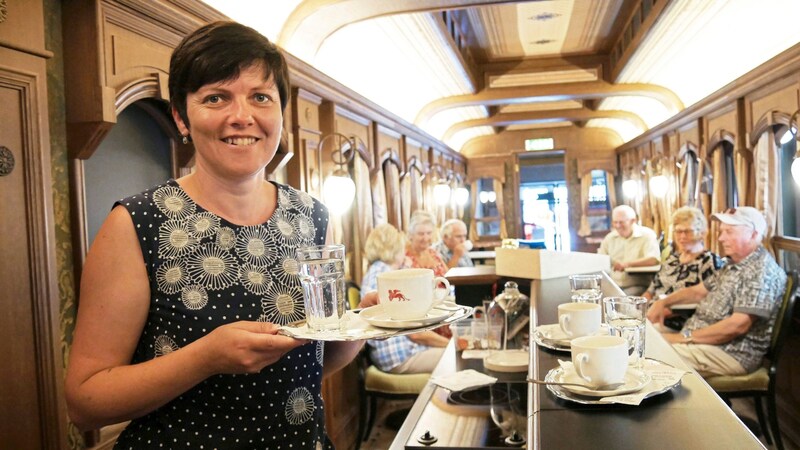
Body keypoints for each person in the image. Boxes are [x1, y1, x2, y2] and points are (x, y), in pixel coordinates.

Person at [64, 21, 375, 448]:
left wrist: (364, 324)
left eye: (260, 97)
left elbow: (314, 359)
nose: (242, 116)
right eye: (216, 98)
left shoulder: (313, 217)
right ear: (181, 116)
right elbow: (84, 401)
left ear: (280, 112)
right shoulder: (138, 222)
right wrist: (205, 359)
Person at [647, 207, 786, 377]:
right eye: (721, 232)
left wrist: (683, 337)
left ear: (754, 234)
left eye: (729, 232)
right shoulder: (732, 264)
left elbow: (737, 326)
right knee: (639, 336)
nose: (721, 238)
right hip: (702, 340)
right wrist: (664, 302)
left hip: (730, 352)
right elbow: (697, 291)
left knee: (649, 354)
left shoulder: (761, 271)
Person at [361, 224, 449, 373]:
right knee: (456, 357)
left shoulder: (379, 270)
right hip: (400, 357)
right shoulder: (387, 277)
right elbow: (416, 334)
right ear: (395, 250)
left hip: (399, 353)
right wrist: (451, 344)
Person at [643, 207, 724, 301]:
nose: (682, 236)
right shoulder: (671, 260)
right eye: (678, 231)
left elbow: (709, 299)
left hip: (681, 313)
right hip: (653, 310)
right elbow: (650, 292)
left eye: (688, 231)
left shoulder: (710, 262)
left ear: (702, 233)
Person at [598, 205, 661, 295]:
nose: (618, 226)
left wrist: (627, 264)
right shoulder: (609, 238)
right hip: (613, 285)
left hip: (638, 285)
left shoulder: (647, 235)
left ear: (633, 221)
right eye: (615, 222)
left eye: (621, 222)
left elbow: (653, 260)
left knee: (622, 301)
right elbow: (600, 259)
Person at [405, 210, 449, 277]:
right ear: (411, 234)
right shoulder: (403, 256)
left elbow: (449, 277)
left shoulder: (433, 253)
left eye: (429, 233)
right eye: (420, 234)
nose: (425, 238)